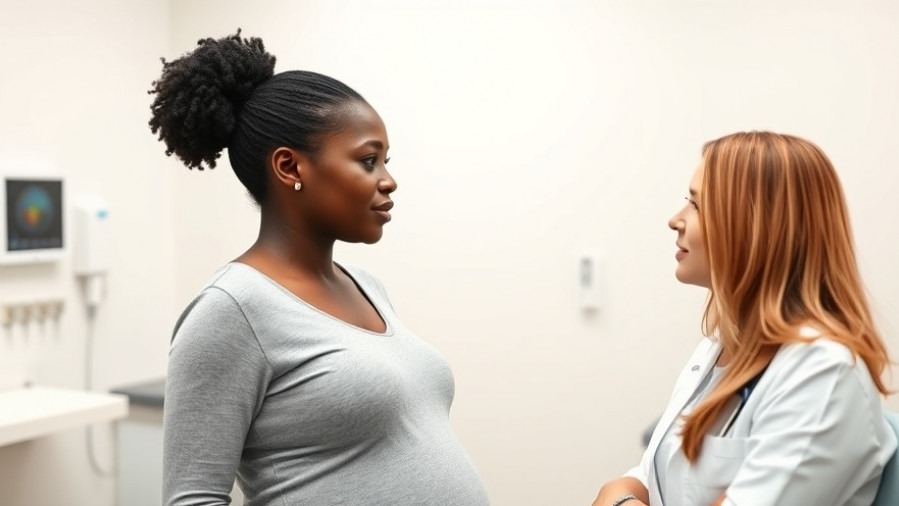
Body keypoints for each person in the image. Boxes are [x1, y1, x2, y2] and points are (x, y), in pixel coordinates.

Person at [148, 30, 490, 506]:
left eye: (386, 162)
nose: (388, 181)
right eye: (368, 160)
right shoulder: (232, 309)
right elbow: (192, 498)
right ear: (290, 167)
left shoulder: (368, 287)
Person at [592, 131, 897, 506]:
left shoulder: (822, 372)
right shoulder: (718, 350)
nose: (675, 220)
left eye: (697, 206)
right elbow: (636, 483)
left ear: (757, 228)